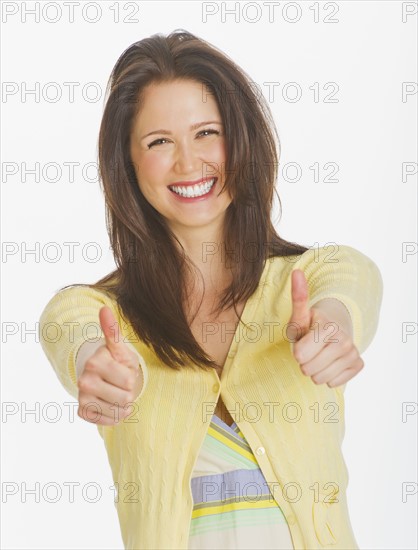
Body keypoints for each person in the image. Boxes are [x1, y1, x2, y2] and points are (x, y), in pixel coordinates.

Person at [38, 30, 383, 550]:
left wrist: (332, 325)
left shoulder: (310, 281)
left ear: (241, 139)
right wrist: (94, 364)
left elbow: (350, 281)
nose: (188, 162)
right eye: (159, 142)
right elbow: (70, 327)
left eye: (207, 133)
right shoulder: (104, 316)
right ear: (128, 163)